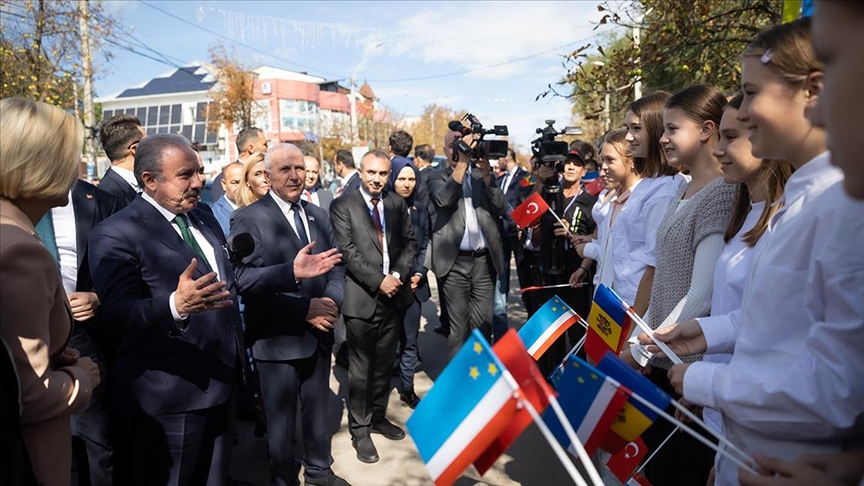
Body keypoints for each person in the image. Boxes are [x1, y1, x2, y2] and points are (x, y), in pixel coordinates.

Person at [642, 18, 863, 486]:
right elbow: (782, 318)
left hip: (793, 462)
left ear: (812, 91)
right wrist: (708, 332)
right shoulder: (801, 201)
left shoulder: (842, 206)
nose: (742, 112)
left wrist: (705, 381)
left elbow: (843, 386)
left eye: (750, 93)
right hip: (753, 453)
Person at [88, 133, 246, 485]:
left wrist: (288, 272)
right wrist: (176, 305)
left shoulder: (203, 215)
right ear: (150, 180)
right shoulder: (115, 233)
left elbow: (225, 283)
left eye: (200, 172)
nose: (199, 182)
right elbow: (118, 313)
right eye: (185, 175)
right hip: (171, 398)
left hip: (222, 381)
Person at [629, 84, 735, 486]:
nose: (663, 139)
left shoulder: (721, 194)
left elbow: (701, 295)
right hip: (664, 360)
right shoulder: (685, 188)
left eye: (672, 129)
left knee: (678, 471)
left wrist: (642, 349)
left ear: (706, 130)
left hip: (686, 368)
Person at [231, 143, 348, 486]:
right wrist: (303, 308)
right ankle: (283, 478)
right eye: (285, 169)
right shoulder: (248, 217)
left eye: (299, 168)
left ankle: (319, 470)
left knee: (318, 412)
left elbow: (336, 268)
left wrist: (330, 303)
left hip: (320, 332)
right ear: (267, 176)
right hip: (277, 339)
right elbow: (243, 280)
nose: (295, 176)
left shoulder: (318, 215)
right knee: (281, 424)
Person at [0, 97, 101, 486]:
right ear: (39, 164)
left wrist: (56, 355)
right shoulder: (19, 250)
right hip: (31, 456)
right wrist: (81, 377)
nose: (75, 168)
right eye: (68, 155)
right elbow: (29, 394)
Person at [329, 150, 417, 464]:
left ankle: (378, 416)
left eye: (382, 174)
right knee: (361, 369)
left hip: (394, 296)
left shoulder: (396, 204)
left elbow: (409, 242)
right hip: (362, 298)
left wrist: (398, 276)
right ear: (361, 172)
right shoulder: (343, 206)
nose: (377, 179)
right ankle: (361, 429)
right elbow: (347, 250)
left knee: (384, 364)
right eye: (371, 173)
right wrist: (379, 280)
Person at [427, 130, 506, 359]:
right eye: (455, 145)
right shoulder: (436, 176)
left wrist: (488, 178)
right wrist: (461, 164)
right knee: (458, 330)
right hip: (453, 264)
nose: (461, 148)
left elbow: (501, 208)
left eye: (464, 144)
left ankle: (482, 376)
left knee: (483, 328)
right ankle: (459, 380)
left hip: (484, 262)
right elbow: (443, 200)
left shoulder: (482, 175)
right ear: (445, 151)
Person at [387, 157, 430, 409]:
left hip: (413, 286)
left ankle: (407, 387)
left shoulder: (420, 209)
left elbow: (424, 245)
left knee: (410, 341)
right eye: (401, 178)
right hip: (388, 285)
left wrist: (420, 273)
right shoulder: (382, 207)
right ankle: (379, 392)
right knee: (386, 342)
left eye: (411, 179)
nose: (407, 184)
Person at [493, 148, 532, 340]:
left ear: (507, 158)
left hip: (518, 234)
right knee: (501, 277)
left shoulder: (525, 178)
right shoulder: (499, 179)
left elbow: (527, 201)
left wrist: (520, 223)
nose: (496, 162)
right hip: (500, 235)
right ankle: (500, 327)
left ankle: (530, 318)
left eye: (498, 158)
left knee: (524, 275)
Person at [97, 114, 146, 208]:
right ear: (135, 149)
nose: (152, 147)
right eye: (147, 142)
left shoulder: (145, 184)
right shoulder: (108, 195)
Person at [210, 127, 268, 203]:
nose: (267, 149)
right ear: (251, 148)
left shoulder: (269, 175)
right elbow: (221, 208)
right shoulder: (225, 178)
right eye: (265, 145)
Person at [211, 161, 244, 237]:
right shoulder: (213, 213)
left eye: (244, 182)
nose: (240, 187)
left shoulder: (256, 207)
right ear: (224, 184)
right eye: (235, 183)